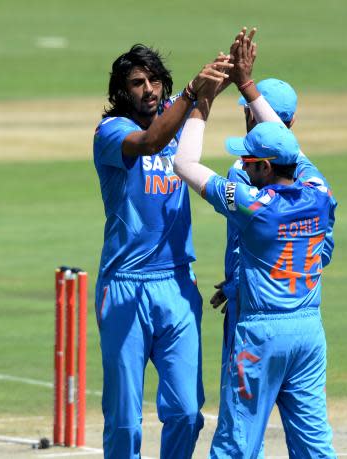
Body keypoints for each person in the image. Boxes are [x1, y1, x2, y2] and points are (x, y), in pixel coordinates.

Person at [173, 29, 337, 458]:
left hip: (259, 334)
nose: (242, 165)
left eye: (249, 161)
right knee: (315, 445)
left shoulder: (251, 203)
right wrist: (247, 84)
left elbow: (184, 163)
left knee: (236, 444)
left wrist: (202, 101)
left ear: (263, 166)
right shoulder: (319, 191)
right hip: (308, 330)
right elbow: (293, 151)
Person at [92, 41, 232, 458]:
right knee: (123, 419)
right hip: (125, 286)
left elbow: (199, 102)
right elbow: (152, 141)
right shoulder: (110, 132)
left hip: (177, 282)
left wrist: (230, 75)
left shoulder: (176, 112)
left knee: (188, 412)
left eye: (154, 80)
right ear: (122, 91)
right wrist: (192, 93)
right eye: (137, 83)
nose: (149, 89)